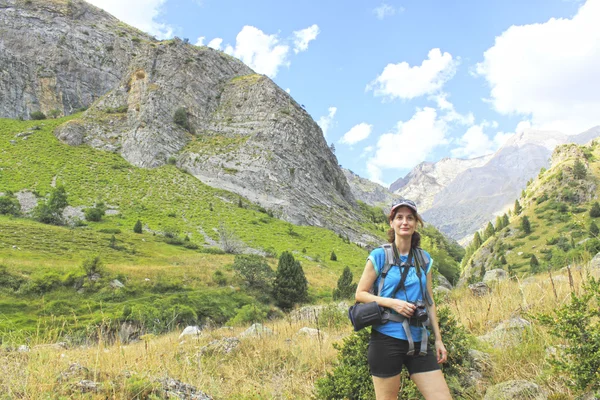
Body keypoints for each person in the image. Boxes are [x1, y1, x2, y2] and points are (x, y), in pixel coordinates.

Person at [355, 199, 452, 400]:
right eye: (399, 217)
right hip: (385, 339)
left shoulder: (424, 259)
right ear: (392, 223)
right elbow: (360, 294)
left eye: (410, 217)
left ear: (416, 223)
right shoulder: (379, 255)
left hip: (419, 341)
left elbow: (430, 301)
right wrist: (392, 303)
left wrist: (439, 340)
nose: (404, 222)